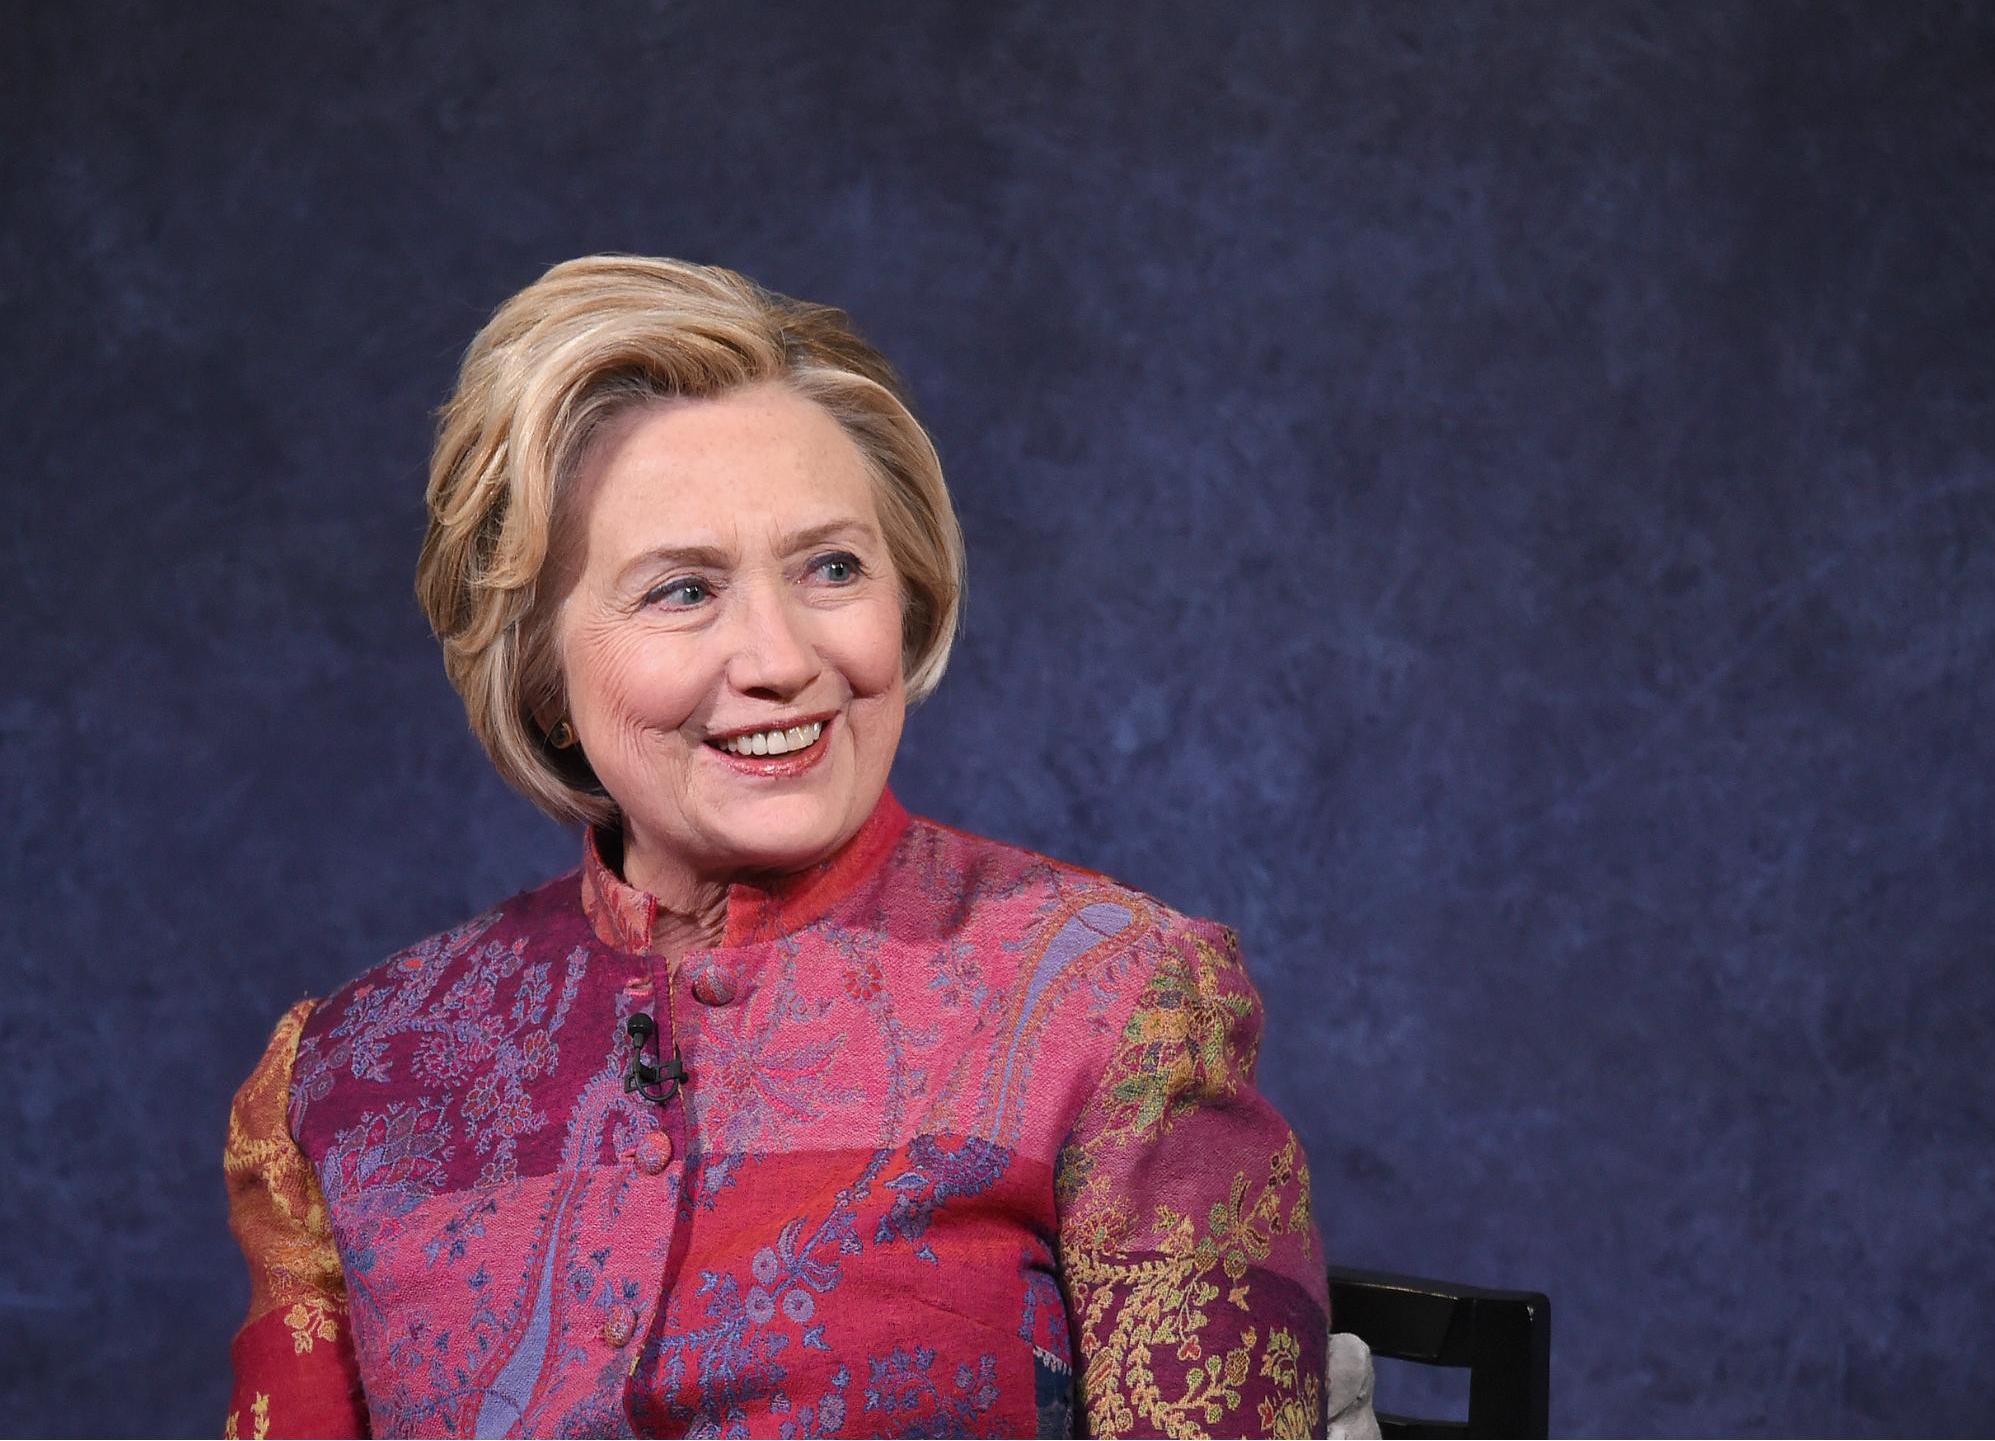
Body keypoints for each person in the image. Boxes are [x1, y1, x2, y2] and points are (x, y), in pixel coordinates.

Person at [224, 255, 1331, 1438]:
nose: (780, 656)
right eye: (682, 591)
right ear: (542, 676)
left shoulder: (1112, 1002)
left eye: (831, 569)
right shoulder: (342, 1081)